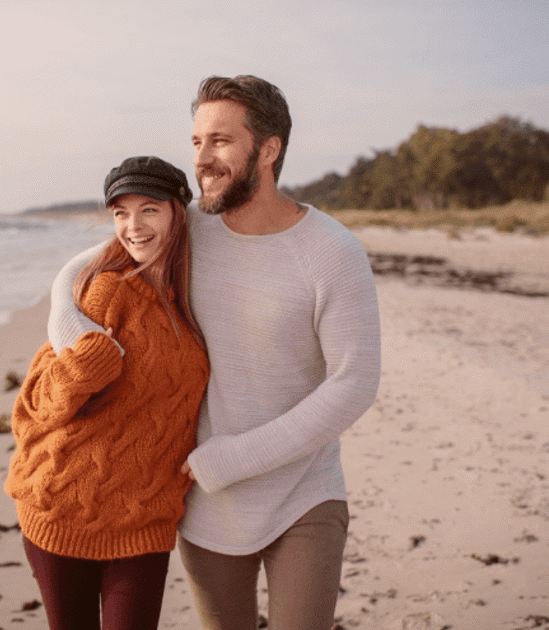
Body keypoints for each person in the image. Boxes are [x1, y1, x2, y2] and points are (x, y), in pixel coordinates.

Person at [47, 76, 381, 630]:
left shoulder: (333, 251)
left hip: (303, 495)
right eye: (197, 141)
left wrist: (230, 458)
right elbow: (77, 270)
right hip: (203, 503)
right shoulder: (189, 229)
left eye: (221, 141)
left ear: (268, 150)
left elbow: (354, 384)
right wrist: (73, 338)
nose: (202, 158)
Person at [5, 155, 210, 630]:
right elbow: (36, 404)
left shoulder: (194, 296)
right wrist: (87, 362)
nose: (132, 226)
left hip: (145, 521)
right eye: (120, 212)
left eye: (149, 210)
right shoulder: (106, 291)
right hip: (62, 507)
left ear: (179, 212)